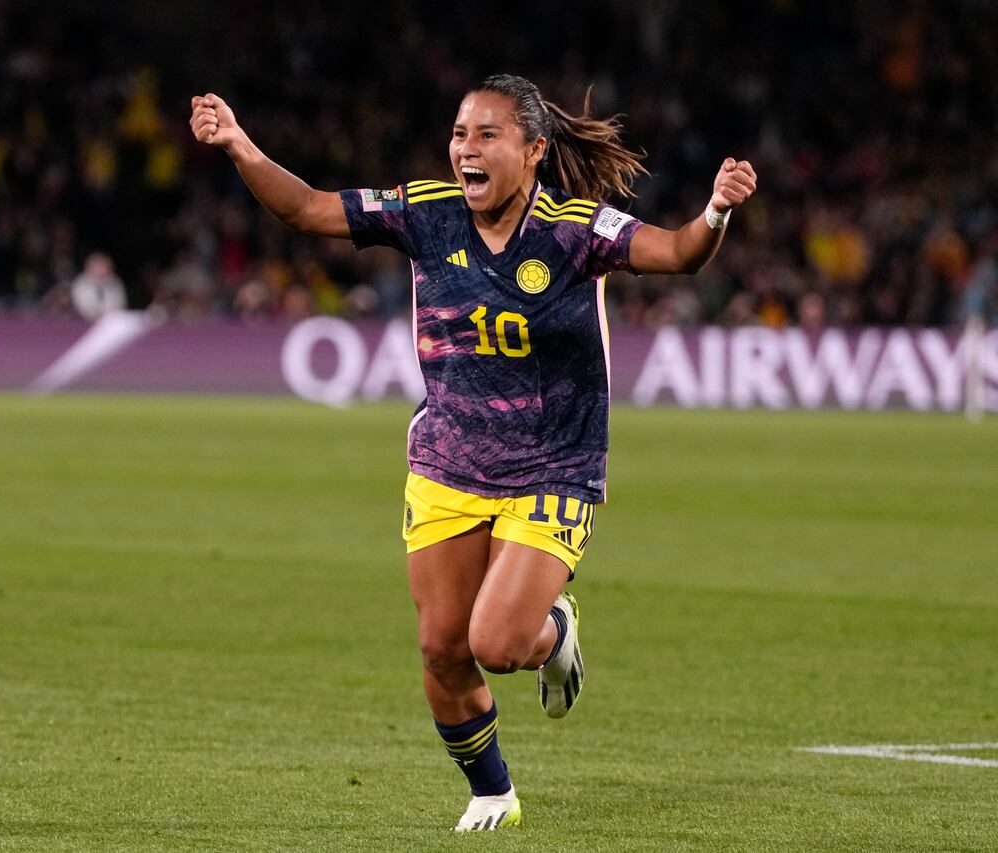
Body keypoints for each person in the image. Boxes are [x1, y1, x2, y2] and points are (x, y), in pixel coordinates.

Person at [190, 74, 756, 831]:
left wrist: (714, 210)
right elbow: (304, 209)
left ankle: (554, 630)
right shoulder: (426, 214)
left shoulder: (575, 228)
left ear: (532, 150)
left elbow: (680, 254)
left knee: (498, 641)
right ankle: (493, 790)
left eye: (487, 135)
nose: (467, 149)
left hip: (554, 465)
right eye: (460, 134)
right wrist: (238, 144)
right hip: (448, 461)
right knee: (441, 648)